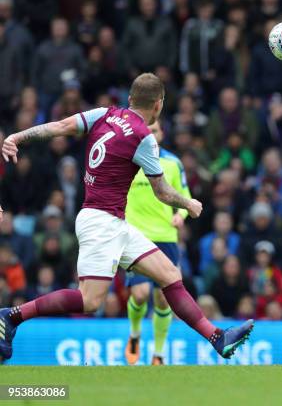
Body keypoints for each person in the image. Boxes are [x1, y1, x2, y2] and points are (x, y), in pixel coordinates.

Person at [0, 73, 253, 362]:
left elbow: (60, 126)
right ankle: (12, 316)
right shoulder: (144, 138)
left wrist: (17, 136)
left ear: (130, 98)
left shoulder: (105, 113)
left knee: (170, 275)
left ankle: (217, 337)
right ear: (158, 105)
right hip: (101, 222)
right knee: (89, 300)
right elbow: (162, 192)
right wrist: (189, 203)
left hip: (113, 222)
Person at [123, 120, 191, 366]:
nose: (151, 134)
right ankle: (134, 334)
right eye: (147, 131)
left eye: (155, 130)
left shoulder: (173, 163)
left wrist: (180, 215)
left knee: (164, 298)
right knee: (140, 294)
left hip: (166, 237)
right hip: (135, 236)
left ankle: (159, 354)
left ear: (161, 134)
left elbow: (186, 195)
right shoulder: (128, 161)